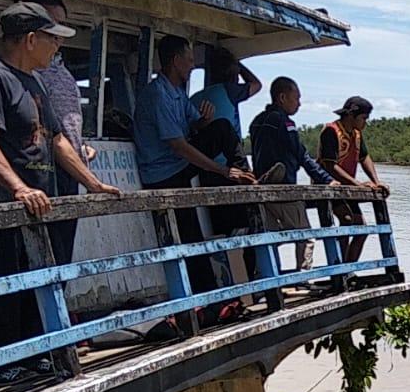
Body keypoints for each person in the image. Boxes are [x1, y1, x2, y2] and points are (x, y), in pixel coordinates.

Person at [0, 2, 119, 381]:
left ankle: (35, 353)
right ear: (31, 39)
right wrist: (18, 187)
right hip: (3, 204)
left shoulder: (34, 82)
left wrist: (93, 183)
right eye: (51, 39)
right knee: (0, 280)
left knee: (39, 280)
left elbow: (59, 141)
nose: (55, 48)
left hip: (40, 203)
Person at [133, 34, 255, 296]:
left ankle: (247, 175)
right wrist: (221, 170)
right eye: (189, 61)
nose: (191, 66)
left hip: (176, 165)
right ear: (176, 61)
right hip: (163, 173)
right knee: (189, 236)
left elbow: (194, 126)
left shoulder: (176, 92)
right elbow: (178, 144)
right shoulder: (158, 95)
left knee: (220, 127)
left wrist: (203, 122)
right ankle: (206, 300)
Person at [23, 0, 89, 265]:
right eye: (52, 25)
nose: (58, 35)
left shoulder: (60, 71)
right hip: (42, 173)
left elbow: (65, 125)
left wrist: (81, 146)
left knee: (63, 255)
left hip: (69, 171)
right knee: (41, 257)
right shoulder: (28, 72)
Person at [249, 76, 332, 271]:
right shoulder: (285, 122)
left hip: (261, 188)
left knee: (269, 238)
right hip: (284, 189)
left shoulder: (256, 122)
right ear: (282, 97)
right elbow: (302, 155)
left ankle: (271, 281)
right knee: (305, 237)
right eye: (297, 98)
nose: (299, 104)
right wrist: (327, 180)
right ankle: (302, 279)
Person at [317, 96, 388, 263]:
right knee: (347, 221)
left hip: (347, 188)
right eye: (364, 118)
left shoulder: (356, 134)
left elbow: (364, 157)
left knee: (361, 230)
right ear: (351, 115)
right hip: (328, 186)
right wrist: (358, 185)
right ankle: (338, 270)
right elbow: (330, 166)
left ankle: (348, 270)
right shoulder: (331, 131)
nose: (365, 123)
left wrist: (376, 182)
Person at [189, 44, 260, 145]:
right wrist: (239, 65)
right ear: (232, 75)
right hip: (225, 157)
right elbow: (257, 85)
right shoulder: (230, 91)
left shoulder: (195, 98)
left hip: (202, 156)